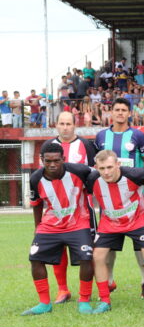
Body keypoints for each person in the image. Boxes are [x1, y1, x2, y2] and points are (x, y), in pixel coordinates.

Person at [23, 142, 94, 315]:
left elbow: (100, 178)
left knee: (86, 258)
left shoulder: (80, 171)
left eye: (56, 160)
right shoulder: (35, 178)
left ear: (63, 159)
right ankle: (44, 303)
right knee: (35, 258)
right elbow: (36, 204)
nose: (52, 164)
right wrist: (37, 227)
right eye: (48, 161)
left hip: (78, 222)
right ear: (42, 160)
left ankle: (84, 300)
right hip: (50, 225)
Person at [86, 150, 144, 314]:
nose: (106, 172)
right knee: (97, 256)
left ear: (118, 164)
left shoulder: (134, 174)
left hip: (138, 220)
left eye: (110, 167)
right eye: (102, 168)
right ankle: (104, 301)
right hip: (110, 222)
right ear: (96, 168)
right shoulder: (91, 179)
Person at [94, 99, 144, 297]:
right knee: (108, 242)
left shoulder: (138, 135)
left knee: (141, 243)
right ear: (111, 112)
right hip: (108, 199)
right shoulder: (101, 136)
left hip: (133, 196)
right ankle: (109, 280)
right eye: (117, 110)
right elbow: (98, 161)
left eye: (124, 110)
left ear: (129, 113)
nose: (120, 113)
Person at [42, 112, 97, 304]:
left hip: (81, 206)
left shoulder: (86, 145)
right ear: (56, 125)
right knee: (59, 246)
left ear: (75, 125)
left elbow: (93, 172)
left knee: (90, 247)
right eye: (62, 123)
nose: (65, 127)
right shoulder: (48, 146)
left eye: (68, 124)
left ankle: (98, 284)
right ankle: (62, 289)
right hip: (56, 206)